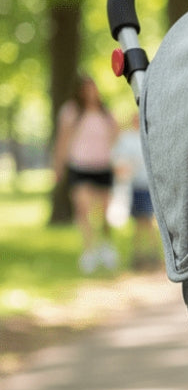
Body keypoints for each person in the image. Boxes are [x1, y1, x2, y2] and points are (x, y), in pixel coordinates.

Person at [52, 73, 120, 273]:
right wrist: (58, 167)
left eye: (93, 88)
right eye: (86, 88)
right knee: (83, 209)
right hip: (80, 167)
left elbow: (116, 138)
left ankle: (106, 247)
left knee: (104, 213)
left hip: (103, 167)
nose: (90, 92)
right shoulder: (71, 112)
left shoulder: (105, 114)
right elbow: (62, 142)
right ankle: (89, 250)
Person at [112, 110, 159, 270]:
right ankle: (139, 255)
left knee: (149, 219)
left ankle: (152, 253)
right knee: (139, 221)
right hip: (135, 185)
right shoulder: (127, 139)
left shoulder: (149, 137)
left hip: (148, 185)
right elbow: (119, 161)